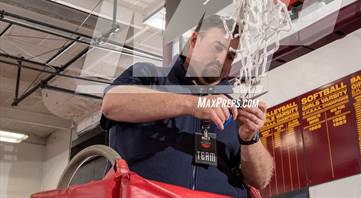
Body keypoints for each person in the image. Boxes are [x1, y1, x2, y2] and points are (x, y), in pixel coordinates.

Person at [101, 15, 274, 197]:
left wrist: (250, 139)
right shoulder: (149, 77)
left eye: (230, 55)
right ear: (194, 40)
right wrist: (194, 104)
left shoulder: (232, 110)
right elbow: (111, 104)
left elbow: (260, 180)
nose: (222, 59)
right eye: (217, 48)